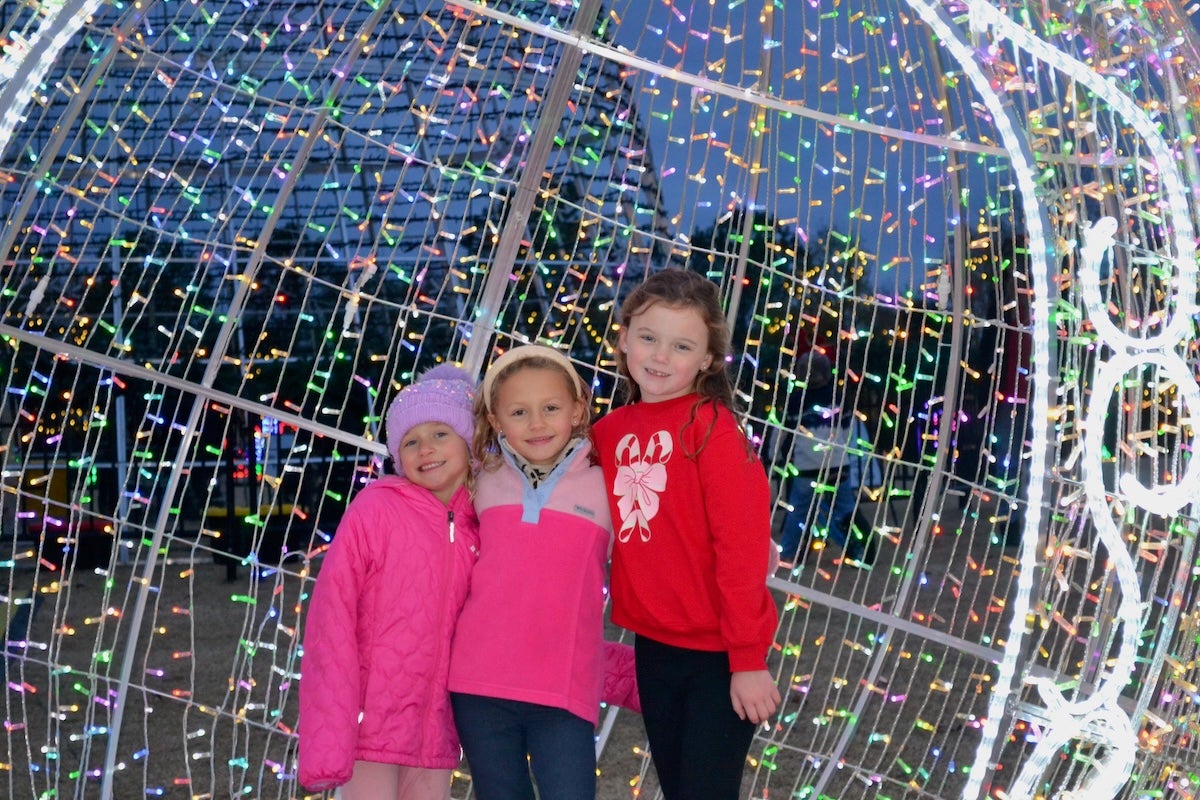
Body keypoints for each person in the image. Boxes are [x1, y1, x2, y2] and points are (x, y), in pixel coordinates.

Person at [591, 269, 781, 800]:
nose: (659, 355)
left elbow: (742, 553)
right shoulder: (606, 433)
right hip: (654, 648)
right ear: (624, 336)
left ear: (706, 359)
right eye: (648, 337)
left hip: (718, 656)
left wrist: (747, 659)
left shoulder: (712, 432)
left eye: (681, 345)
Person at [298, 364, 480, 800]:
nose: (425, 449)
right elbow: (332, 617)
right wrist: (330, 734)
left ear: (469, 441)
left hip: (436, 730)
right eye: (410, 441)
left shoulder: (485, 521)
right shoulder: (375, 510)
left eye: (441, 434)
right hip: (369, 727)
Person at [447, 344, 621, 800]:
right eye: (519, 412)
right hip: (479, 684)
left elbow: (664, 546)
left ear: (578, 410)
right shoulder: (477, 479)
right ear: (497, 419)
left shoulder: (607, 483)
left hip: (565, 687)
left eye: (550, 408)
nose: (537, 423)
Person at [778, 349, 876, 567]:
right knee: (845, 510)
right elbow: (848, 428)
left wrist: (779, 455)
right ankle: (861, 549)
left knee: (799, 512)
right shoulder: (838, 399)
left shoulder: (796, 401)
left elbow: (785, 433)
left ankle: (789, 553)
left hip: (807, 466)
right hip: (837, 463)